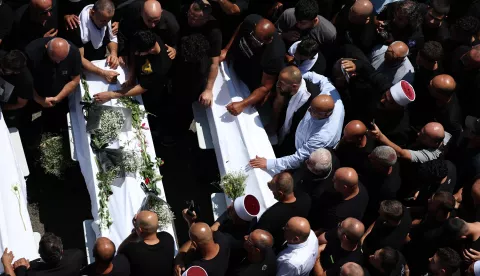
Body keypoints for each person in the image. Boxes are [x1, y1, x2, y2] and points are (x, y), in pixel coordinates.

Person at [250, 79, 344, 173]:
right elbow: (321, 79)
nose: (309, 110)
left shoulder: (322, 137)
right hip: (298, 135)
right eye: (310, 107)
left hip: (301, 152)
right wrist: (301, 75)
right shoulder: (330, 94)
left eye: (313, 111)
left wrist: (268, 163)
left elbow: (298, 159)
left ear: (326, 115)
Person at [93, 30, 171, 123]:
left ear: (150, 50)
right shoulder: (143, 38)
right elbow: (134, 53)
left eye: (139, 53)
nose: (136, 54)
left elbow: (142, 87)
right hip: (139, 75)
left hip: (150, 89)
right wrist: (132, 73)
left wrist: (111, 95)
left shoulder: (161, 66)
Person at [223, 14, 285, 116]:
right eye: (253, 36)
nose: (253, 41)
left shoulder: (275, 54)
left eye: (259, 41)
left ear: (269, 40)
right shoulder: (251, 21)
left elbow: (265, 87)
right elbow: (241, 27)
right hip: (238, 63)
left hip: (252, 79)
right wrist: (227, 49)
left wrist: (243, 104)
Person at [25, 37, 80, 130]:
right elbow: (25, 80)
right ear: (46, 47)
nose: (58, 62)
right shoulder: (32, 52)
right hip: (35, 93)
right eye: (54, 59)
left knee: (55, 120)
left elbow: (75, 80)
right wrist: (39, 99)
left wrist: (57, 98)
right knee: (29, 120)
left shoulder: (73, 52)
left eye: (62, 60)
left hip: (58, 95)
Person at [254, 172, 311, 250]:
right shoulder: (305, 199)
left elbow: (257, 236)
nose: (272, 193)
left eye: (273, 191)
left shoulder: (271, 215)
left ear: (280, 194)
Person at [68, 0, 120, 83]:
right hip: (85, 66)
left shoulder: (105, 18)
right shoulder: (77, 26)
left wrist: (113, 53)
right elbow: (80, 58)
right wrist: (103, 73)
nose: (106, 24)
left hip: (99, 60)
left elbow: (111, 38)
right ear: (92, 13)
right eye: (103, 21)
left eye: (108, 21)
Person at [118, 211, 175, 276]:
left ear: (140, 230)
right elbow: (152, 230)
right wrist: (138, 227)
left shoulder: (132, 249)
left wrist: (135, 233)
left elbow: (120, 250)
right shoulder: (168, 238)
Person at [370, 122, 450, 163]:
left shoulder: (431, 156)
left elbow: (402, 154)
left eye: (423, 136)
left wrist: (380, 136)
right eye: (421, 131)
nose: (418, 134)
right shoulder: (440, 134)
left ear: (434, 143)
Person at [361, 146, 402, 224]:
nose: (368, 156)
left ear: (380, 165)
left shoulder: (387, 189)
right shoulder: (393, 162)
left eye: (372, 158)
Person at [13, 232, 84, 276]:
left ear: (40, 254)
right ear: (61, 251)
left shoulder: (34, 273)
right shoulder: (77, 255)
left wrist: (21, 268)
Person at [0, 49, 33, 128]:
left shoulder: (25, 81)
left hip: (8, 106)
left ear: (16, 72)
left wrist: (2, 108)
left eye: (4, 71)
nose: (0, 70)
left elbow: (20, 104)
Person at [427, 74, 463, 143]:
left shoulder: (451, 120)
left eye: (432, 86)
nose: (428, 86)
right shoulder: (447, 92)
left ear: (439, 94)